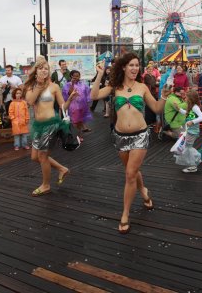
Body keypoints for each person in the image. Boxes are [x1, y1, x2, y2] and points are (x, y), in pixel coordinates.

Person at [90, 52, 167, 234]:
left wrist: (163, 96)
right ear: (123, 67)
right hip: (120, 137)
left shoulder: (142, 87)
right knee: (132, 172)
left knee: (130, 174)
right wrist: (100, 73)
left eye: (136, 65)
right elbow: (94, 96)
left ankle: (125, 214)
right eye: (131, 65)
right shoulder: (114, 86)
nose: (134, 68)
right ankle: (144, 192)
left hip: (141, 135)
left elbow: (156, 108)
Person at [24, 56, 77, 197]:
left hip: (51, 124)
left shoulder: (54, 86)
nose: (44, 70)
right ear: (35, 71)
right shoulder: (31, 86)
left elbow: (62, 107)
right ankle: (62, 169)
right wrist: (40, 85)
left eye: (46, 68)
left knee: (42, 156)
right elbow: (30, 100)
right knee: (34, 157)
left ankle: (46, 185)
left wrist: (70, 99)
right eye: (40, 68)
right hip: (38, 125)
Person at [172, 90, 202, 173]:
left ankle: (193, 165)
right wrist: (179, 109)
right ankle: (195, 160)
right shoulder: (191, 107)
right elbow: (188, 113)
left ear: (191, 99)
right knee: (186, 147)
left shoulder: (195, 107)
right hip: (189, 130)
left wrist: (192, 122)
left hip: (192, 131)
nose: (185, 98)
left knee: (187, 147)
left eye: (186, 97)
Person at [62, 70, 92, 142]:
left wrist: (88, 104)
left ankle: (79, 136)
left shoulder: (83, 84)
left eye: (78, 76)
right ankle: (74, 136)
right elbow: (68, 93)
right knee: (74, 123)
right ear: (71, 76)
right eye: (74, 76)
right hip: (73, 107)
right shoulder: (67, 84)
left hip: (82, 106)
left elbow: (87, 94)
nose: (76, 78)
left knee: (79, 122)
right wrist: (72, 84)